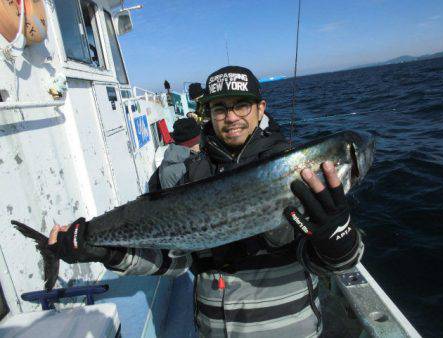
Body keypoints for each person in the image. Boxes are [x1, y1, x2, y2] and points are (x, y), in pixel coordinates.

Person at [48, 66, 363, 337]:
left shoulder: (297, 171)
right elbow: (176, 261)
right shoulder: (191, 175)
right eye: (220, 108)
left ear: (261, 108)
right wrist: (104, 251)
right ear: (207, 114)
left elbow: (335, 261)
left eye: (242, 106)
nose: (231, 117)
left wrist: (340, 239)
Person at [149, 117, 201, 191]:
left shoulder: (172, 156)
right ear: (192, 144)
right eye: (199, 142)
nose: (200, 146)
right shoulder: (186, 167)